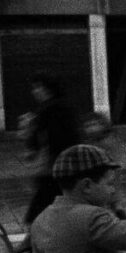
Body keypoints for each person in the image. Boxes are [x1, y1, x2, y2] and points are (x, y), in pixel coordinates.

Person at [18, 73, 81, 230]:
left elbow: (42, 139)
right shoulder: (53, 109)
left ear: (48, 89)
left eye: (39, 87)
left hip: (55, 165)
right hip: (59, 165)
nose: (35, 92)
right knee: (53, 202)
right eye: (35, 88)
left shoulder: (51, 109)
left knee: (44, 203)